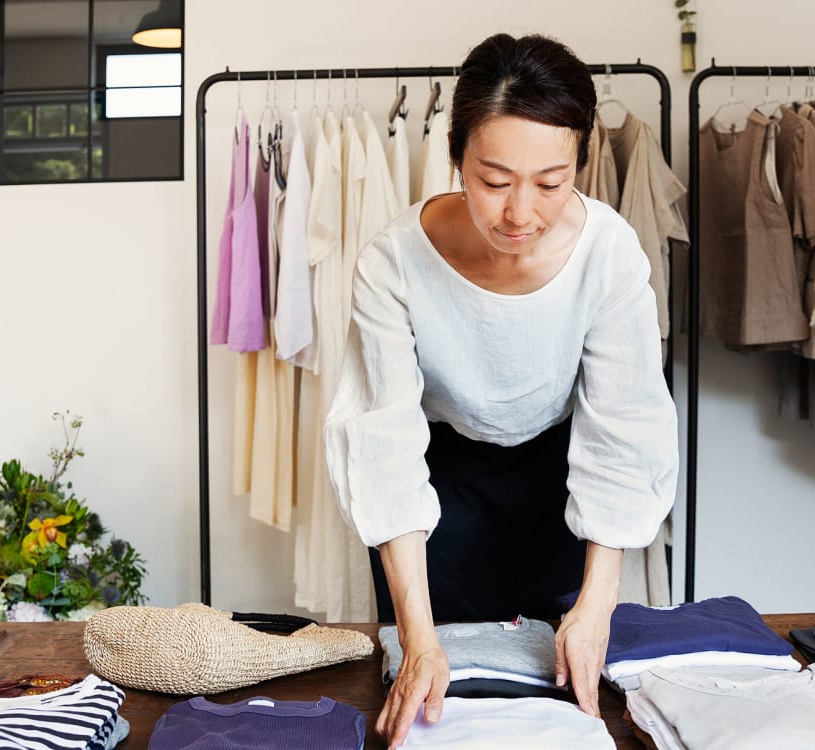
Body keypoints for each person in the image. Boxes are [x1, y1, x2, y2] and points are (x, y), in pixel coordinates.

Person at [323, 34, 679, 747]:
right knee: (438, 697)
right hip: (437, 481)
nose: (522, 212)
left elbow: (622, 428)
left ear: (579, 160)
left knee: (554, 694)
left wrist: (598, 603)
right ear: (456, 156)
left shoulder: (607, 254)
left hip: (558, 473)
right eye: (494, 179)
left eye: (551, 182)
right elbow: (384, 444)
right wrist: (419, 640)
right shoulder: (392, 262)